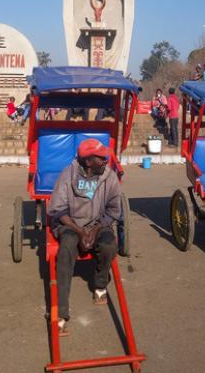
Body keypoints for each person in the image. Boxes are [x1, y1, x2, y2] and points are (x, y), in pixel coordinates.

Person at [48, 138, 120, 336]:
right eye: (101, 157)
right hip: (70, 224)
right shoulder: (67, 175)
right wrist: (80, 232)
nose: (106, 160)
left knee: (108, 245)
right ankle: (61, 312)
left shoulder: (110, 176)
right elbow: (58, 210)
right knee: (66, 250)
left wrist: (95, 230)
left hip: (98, 224)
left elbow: (114, 210)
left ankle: (99, 285)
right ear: (88, 161)